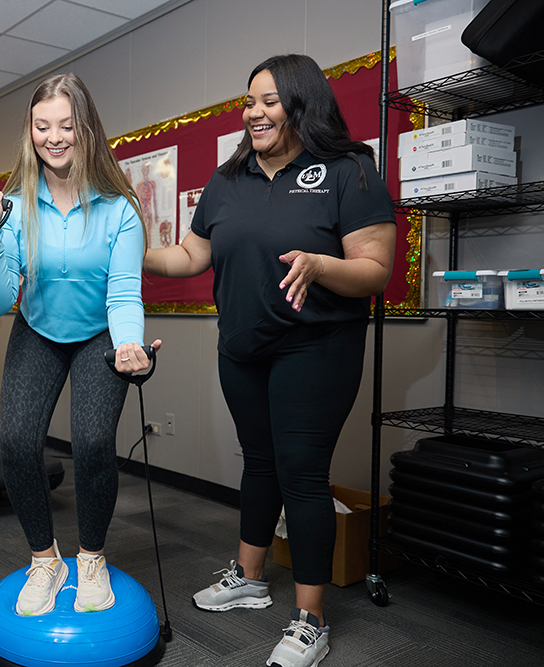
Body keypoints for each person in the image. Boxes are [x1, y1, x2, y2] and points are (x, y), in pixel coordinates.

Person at [143, 54, 396, 667]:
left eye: (269, 101)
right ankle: (250, 578)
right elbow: (189, 257)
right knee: (258, 462)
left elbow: (375, 269)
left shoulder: (348, 170)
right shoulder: (228, 178)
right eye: (248, 101)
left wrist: (321, 264)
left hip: (317, 346)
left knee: (301, 473)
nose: (253, 112)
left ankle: (310, 618)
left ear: (302, 104)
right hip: (243, 348)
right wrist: (127, 253)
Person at [0, 72, 161, 617]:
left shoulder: (119, 208)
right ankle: (45, 559)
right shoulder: (13, 204)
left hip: (100, 330)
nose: (54, 137)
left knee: (95, 443)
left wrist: (129, 345)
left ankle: (92, 557)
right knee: (16, 444)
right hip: (37, 329)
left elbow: (124, 292)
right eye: (41, 125)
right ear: (30, 131)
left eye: (66, 125)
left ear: (87, 129)